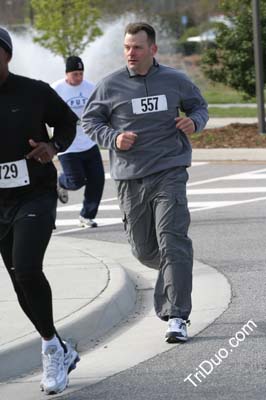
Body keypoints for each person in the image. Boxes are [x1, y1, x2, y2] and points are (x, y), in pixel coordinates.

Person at [82, 22, 209, 343]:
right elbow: (90, 120)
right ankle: (175, 269)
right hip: (130, 178)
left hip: (170, 171)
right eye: (126, 47)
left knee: (172, 239)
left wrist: (194, 121)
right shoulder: (109, 85)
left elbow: (199, 106)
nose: (130, 53)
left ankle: (176, 316)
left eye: (137, 47)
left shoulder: (175, 80)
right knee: (143, 250)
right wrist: (113, 137)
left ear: (152, 49)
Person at [0, 27, 80, 395]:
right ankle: (60, 346)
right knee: (20, 281)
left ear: (7, 56)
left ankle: (50, 347)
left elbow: (67, 122)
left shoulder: (33, 91)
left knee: (29, 267)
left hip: (35, 195)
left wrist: (53, 145)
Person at [52, 56, 105, 228]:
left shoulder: (90, 87)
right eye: (75, 74)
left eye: (81, 73)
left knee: (97, 179)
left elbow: (101, 108)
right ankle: (61, 182)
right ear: (67, 74)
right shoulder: (56, 89)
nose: (79, 77)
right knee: (76, 181)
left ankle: (87, 215)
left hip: (89, 142)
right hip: (67, 145)